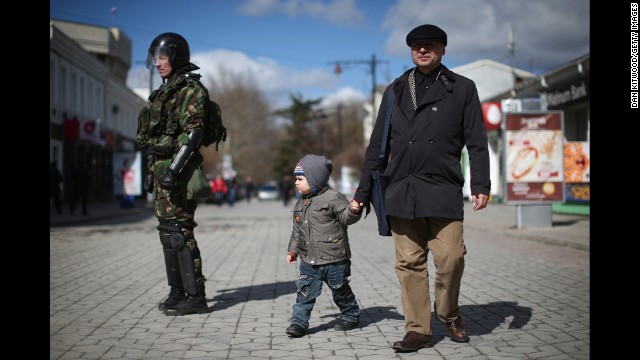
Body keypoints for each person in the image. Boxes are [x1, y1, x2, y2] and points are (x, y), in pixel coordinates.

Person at [353, 24, 491, 352]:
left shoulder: (462, 88)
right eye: (416, 45)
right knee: (409, 264)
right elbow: (377, 146)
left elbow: (477, 140)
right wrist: (361, 194)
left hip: (442, 187)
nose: (422, 49)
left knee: (451, 256)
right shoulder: (396, 89)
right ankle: (418, 330)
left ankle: (447, 311)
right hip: (401, 188)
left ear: (442, 49)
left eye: (429, 44)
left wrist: (481, 183)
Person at [136, 32, 211, 316]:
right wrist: (150, 172)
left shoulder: (190, 90)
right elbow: (153, 138)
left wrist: (174, 171)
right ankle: (177, 291)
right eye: (155, 57)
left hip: (178, 174)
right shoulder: (162, 93)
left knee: (180, 232)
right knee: (166, 232)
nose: (157, 62)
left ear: (177, 56)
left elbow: (194, 133)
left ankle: (196, 296)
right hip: (160, 172)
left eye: (163, 56)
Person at [285, 154, 363, 338]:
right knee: (304, 292)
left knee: (340, 290)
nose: (296, 183)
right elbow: (297, 231)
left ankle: (351, 314)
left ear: (315, 179)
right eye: (296, 179)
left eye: (300, 179)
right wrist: (292, 250)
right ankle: (298, 323)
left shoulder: (333, 198)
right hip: (308, 260)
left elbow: (345, 218)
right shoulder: (299, 204)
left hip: (334, 258)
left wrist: (353, 210)